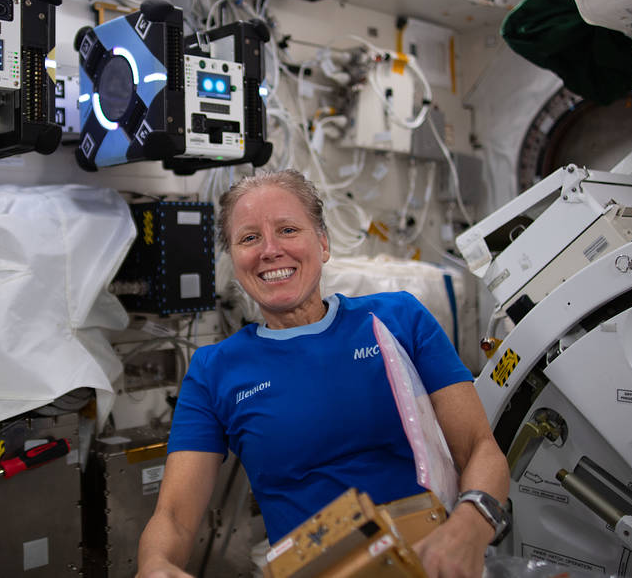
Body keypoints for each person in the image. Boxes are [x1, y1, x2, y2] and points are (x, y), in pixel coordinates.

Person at [135, 169, 510, 578]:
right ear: (234, 260)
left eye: (288, 229)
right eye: (248, 238)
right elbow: (174, 515)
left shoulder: (398, 320)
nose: (270, 250)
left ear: (324, 243)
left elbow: (479, 448)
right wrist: (156, 565)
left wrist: (471, 526)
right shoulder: (214, 371)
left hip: (429, 562)